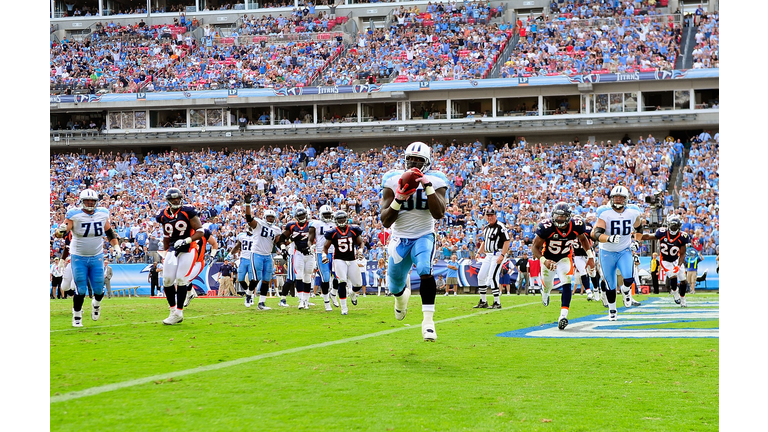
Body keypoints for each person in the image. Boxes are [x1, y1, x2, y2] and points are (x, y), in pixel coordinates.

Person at [379, 141, 448, 341]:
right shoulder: (393, 179)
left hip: (424, 234)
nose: (414, 164)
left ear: (427, 162)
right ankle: (401, 301)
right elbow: (385, 220)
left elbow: (439, 213)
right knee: (395, 286)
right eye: (411, 160)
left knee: (425, 269)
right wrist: (399, 198)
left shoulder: (436, 179)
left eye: (419, 160)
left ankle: (428, 322)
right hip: (400, 238)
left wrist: (427, 187)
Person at [54, 189, 122, 327]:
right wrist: (59, 231)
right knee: (81, 289)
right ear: (81, 201)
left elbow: (109, 232)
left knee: (99, 289)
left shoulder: (102, 214)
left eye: (92, 201)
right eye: (87, 201)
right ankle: (77, 315)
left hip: (97, 256)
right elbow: (60, 233)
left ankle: (96, 305)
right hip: (79, 257)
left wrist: (116, 247)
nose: (90, 203)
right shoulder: (74, 215)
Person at [532, 202, 595, 330]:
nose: (560, 219)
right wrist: (544, 261)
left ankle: (563, 316)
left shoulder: (576, 225)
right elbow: (534, 247)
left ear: (569, 217)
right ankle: (545, 292)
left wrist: (590, 256)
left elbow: (583, 239)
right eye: (558, 216)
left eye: (563, 217)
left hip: (565, 257)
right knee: (547, 284)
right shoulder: (546, 227)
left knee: (567, 282)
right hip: (548, 258)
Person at [591, 186, 645, 321]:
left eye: (621, 197)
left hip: (624, 250)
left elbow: (639, 228)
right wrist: (609, 238)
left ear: (626, 199)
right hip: (607, 252)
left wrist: (637, 242)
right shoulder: (605, 212)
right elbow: (597, 233)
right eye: (616, 197)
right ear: (611, 198)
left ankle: (626, 290)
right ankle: (612, 310)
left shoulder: (632, 212)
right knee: (610, 284)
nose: (618, 199)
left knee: (629, 278)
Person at [155, 187, 205, 325]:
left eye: (178, 198)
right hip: (172, 249)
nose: (176, 200)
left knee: (182, 279)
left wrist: (187, 240)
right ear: (168, 200)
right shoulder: (163, 215)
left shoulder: (187, 211)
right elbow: (166, 236)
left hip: (188, 248)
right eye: (173, 199)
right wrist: (166, 252)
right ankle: (172, 311)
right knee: (167, 280)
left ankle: (179, 312)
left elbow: (200, 231)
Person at [637, 214, 689, 305]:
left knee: (683, 281)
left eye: (675, 227)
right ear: (668, 225)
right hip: (665, 260)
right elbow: (648, 236)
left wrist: (679, 265)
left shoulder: (682, 237)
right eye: (672, 226)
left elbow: (683, 253)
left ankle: (683, 298)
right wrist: (637, 235)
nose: (673, 228)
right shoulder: (662, 233)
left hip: (676, 259)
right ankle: (675, 292)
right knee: (673, 276)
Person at [242, 191, 282, 310]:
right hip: (257, 254)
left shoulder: (276, 229)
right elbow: (249, 218)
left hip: (268, 255)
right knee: (256, 278)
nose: (270, 218)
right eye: (269, 217)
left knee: (266, 280)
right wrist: (248, 204)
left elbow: (277, 242)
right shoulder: (259, 223)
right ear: (265, 217)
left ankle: (261, 303)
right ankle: (248, 295)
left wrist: (284, 245)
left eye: (272, 217)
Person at [322, 210, 365, 315]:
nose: (341, 220)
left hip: (352, 259)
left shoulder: (354, 230)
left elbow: (361, 243)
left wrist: (360, 250)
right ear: (336, 220)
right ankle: (344, 308)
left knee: (358, 284)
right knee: (342, 281)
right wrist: (324, 255)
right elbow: (325, 247)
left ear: (346, 219)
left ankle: (353, 293)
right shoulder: (332, 232)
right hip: (339, 259)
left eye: (343, 218)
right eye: (339, 219)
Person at [277, 206, 315, 309]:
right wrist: (284, 248)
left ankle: (306, 301)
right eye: (300, 216)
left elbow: (315, 238)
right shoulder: (292, 226)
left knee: (307, 277)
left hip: (310, 254)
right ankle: (301, 300)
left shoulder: (312, 224)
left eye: (303, 215)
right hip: (297, 253)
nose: (302, 217)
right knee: (298, 276)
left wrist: (311, 247)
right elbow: (282, 238)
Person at [473, 207, 510, 309]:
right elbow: (485, 242)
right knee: (481, 276)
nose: (490, 217)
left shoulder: (500, 227)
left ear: (495, 216)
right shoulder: (487, 228)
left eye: (492, 215)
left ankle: (497, 302)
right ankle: (483, 300)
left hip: (497, 253)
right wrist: (479, 252)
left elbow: (507, 241)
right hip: (488, 254)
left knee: (492, 277)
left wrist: (502, 255)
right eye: (488, 216)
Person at [183, 226, 219, 308]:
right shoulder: (186, 232)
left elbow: (214, 244)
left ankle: (185, 298)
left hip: (198, 262)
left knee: (185, 280)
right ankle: (190, 294)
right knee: (182, 279)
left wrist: (212, 256)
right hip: (188, 262)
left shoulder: (204, 232)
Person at [310, 204, 337, 311]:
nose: (327, 217)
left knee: (339, 276)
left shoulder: (335, 224)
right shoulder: (315, 224)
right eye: (325, 215)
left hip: (335, 252)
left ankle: (333, 293)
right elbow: (310, 238)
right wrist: (311, 245)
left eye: (328, 214)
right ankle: (326, 302)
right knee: (325, 278)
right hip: (321, 252)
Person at [229, 225, 256, 300]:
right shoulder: (242, 236)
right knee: (240, 279)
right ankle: (248, 293)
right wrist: (230, 254)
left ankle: (252, 296)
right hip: (243, 259)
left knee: (252, 280)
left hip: (252, 259)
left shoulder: (256, 236)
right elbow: (237, 246)